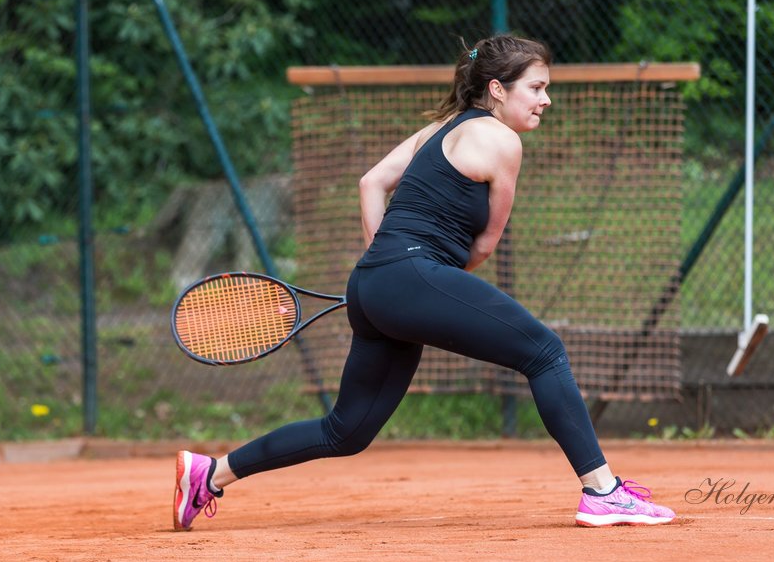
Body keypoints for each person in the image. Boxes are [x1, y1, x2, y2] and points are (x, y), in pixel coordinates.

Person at [173, 33, 676, 530]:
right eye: (536, 87)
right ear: (498, 89)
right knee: (543, 352)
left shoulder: (441, 128)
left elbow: (371, 182)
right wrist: (413, 281)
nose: (546, 99)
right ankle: (603, 492)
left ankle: (210, 474)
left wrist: (384, 267)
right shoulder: (504, 141)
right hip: (407, 276)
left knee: (345, 432)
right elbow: (483, 246)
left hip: (373, 283)